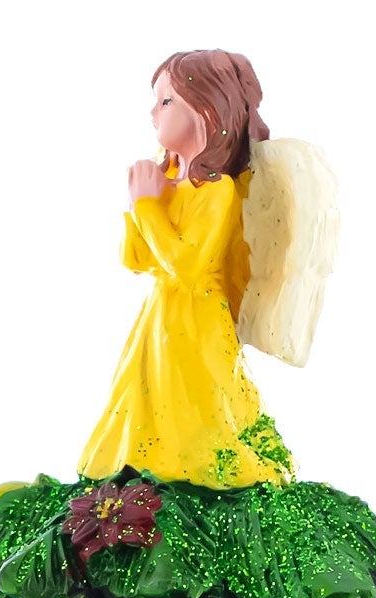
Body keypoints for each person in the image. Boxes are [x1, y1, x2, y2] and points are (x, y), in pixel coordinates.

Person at [79, 50, 292, 488]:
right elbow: (136, 259)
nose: (153, 113)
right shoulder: (171, 184)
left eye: (166, 101)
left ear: (206, 111)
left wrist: (148, 207)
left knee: (196, 408)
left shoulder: (217, 191)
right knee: (149, 405)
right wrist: (141, 204)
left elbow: (188, 266)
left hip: (197, 323)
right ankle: (142, 486)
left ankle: (199, 483)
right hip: (159, 320)